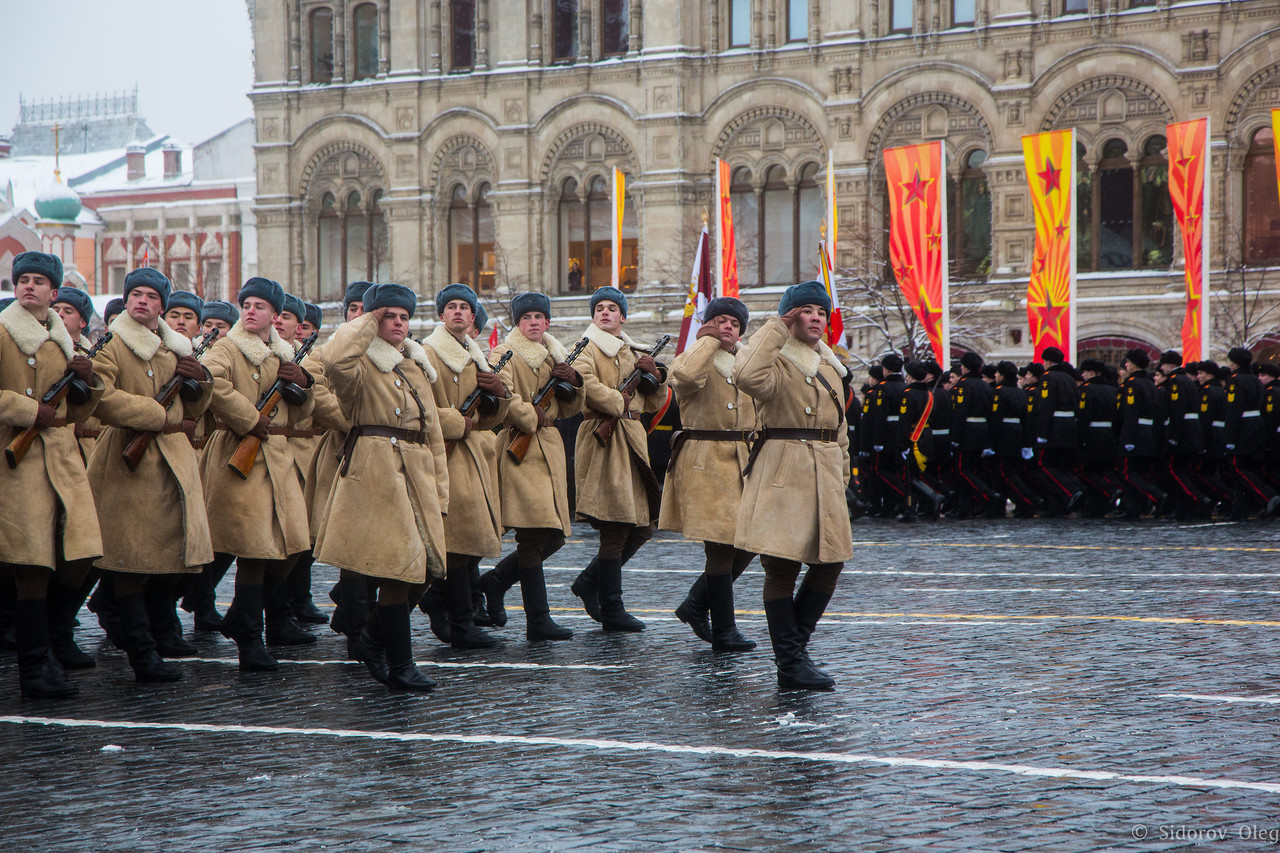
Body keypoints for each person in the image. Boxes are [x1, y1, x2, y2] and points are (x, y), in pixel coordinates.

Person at [313, 284, 446, 691]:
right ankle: (401, 664)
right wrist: (367, 319)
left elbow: (433, 432)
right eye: (390, 316)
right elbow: (334, 361)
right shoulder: (360, 366)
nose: (399, 324)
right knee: (399, 568)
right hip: (376, 473)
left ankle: (372, 638)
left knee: (422, 570)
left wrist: (441, 490)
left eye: (404, 317)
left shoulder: (414, 365)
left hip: (416, 473)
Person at [86, 267, 215, 681]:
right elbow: (102, 397)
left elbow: (192, 408)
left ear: (162, 304)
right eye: (135, 294)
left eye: (150, 296)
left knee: (167, 558)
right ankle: (141, 651)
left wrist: (201, 383)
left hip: (173, 459)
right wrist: (154, 414)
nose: (142, 301)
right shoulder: (111, 343)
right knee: (129, 558)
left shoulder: (175, 347)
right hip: (129, 459)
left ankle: (158, 634)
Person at [734, 280, 851, 690]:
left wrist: (844, 475)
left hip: (825, 472)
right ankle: (790, 663)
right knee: (782, 566)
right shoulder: (775, 360)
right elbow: (746, 375)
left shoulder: (830, 366)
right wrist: (774, 328)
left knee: (830, 563)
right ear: (790, 318)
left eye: (821, 311)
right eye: (806, 311)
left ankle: (794, 652)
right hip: (783, 470)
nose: (816, 317)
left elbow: (840, 429)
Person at [0, 251, 104, 697]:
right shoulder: (4, 332)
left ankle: (54, 641)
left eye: (39, 281)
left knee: (81, 555)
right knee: (31, 565)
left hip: (62, 459)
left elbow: (80, 407)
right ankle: (34, 669)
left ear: (54, 292)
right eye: (23, 279)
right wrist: (28, 410)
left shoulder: (63, 339)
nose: (29, 286)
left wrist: (88, 379)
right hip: (17, 460)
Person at [201, 277, 315, 671]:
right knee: (254, 551)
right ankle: (249, 637)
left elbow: (301, 409)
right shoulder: (228, 347)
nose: (251, 311)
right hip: (240, 457)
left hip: (278, 457)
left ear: (274, 315)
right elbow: (210, 381)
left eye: (260, 306)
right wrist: (250, 418)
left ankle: (241, 619)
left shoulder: (285, 353)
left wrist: (303, 384)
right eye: (246, 304)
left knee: (293, 547)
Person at [478, 291, 584, 642]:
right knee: (532, 536)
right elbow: (502, 396)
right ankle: (538, 620)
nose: (534, 322)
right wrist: (530, 414)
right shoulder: (504, 352)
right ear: (518, 323)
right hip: (520, 447)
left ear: (548, 322)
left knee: (551, 536)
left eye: (540, 317)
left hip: (548, 449)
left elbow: (569, 409)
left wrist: (572, 383)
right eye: (527, 318)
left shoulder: (555, 354)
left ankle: (494, 582)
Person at [568, 286, 669, 632]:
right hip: (603, 441)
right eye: (600, 309)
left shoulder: (634, 351)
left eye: (613, 308)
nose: (606, 313)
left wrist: (654, 376)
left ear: (623, 317)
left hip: (632, 440)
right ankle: (612, 608)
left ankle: (588, 583)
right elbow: (587, 387)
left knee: (643, 526)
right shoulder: (585, 349)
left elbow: (655, 403)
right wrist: (617, 401)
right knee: (616, 526)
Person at [417, 283, 511, 648]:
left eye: (464, 308)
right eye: (451, 307)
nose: (458, 312)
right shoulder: (427, 353)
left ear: (473, 318)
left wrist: (498, 394)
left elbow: (490, 417)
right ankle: (461, 622)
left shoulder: (476, 356)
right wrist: (459, 422)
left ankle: (450, 605)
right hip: (445, 455)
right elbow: (422, 406)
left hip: (472, 457)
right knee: (456, 544)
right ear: (441, 315)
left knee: (469, 544)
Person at [660, 296, 757, 651]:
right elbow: (682, 380)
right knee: (719, 546)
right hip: (705, 459)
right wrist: (705, 341)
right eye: (718, 320)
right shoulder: (693, 357)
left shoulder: (747, 361)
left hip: (745, 460)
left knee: (749, 541)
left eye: (733, 322)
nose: (726, 326)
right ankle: (724, 630)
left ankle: (696, 604)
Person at [50, 285, 103, 462]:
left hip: (84, 450)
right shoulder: (42, 350)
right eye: (55, 309)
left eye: (68, 310)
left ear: (83, 322)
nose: (60, 314)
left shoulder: (97, 358)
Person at [1115, 348, 1166, 519]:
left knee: (1127, 472)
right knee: (1137, 472)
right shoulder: (1150, 384)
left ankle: (1156, 496)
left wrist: (1128, 439)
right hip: (1148, 433)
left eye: (1128, 362)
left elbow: (1130, 413)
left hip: (1135, 433)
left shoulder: (1132, 384)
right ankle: (1132, 509)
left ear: (1135, 364)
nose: (1126, 365)